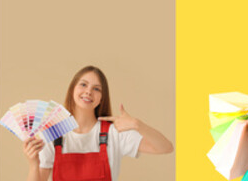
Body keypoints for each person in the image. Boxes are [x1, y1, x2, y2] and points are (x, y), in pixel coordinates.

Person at [21, 66, 173, 181]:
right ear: (72, 89)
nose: (88, 91)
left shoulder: (114, 133)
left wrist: (137, 124)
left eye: (96, 89)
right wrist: (33, 164)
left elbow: (165, 147)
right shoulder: (53, 134)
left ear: (101, 98)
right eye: (83, 85)